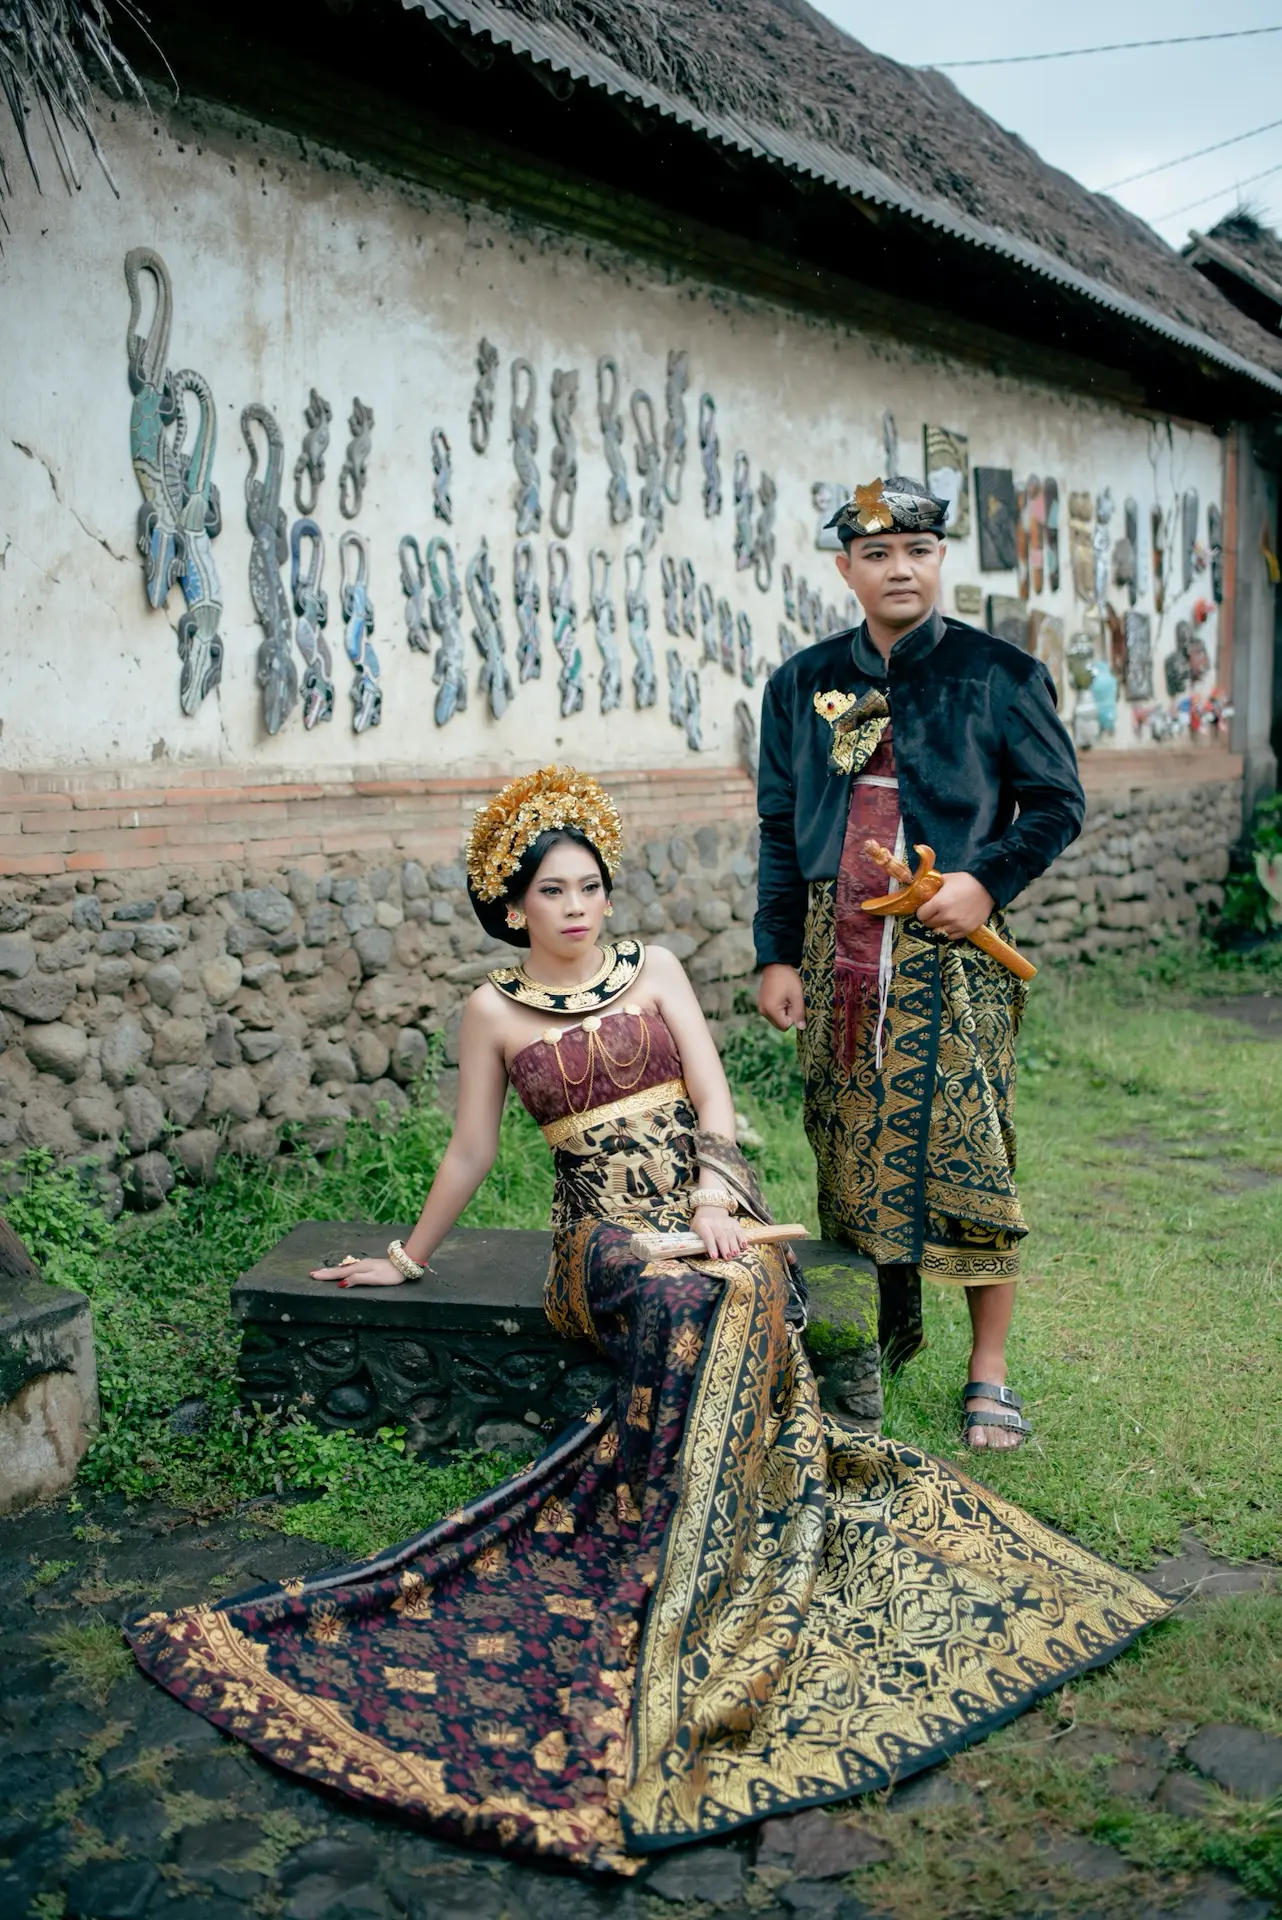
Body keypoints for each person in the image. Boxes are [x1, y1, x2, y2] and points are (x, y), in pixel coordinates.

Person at [128, 765, 1158, 1877]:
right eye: (553, 892)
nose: (577, 907)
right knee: (669, 1293)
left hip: (708, 1204)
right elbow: (472, 1150)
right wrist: (404, 1260)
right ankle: (662, 1524)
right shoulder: (491, 1010)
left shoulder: (655, 969)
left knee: (742, 1284)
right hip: (602, 1237)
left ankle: (722, 1517)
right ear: (512, 905)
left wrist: (714, 1197)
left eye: (590, 887)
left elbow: (714, 1099)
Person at [756, 477, 1086, 1450]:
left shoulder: (1001, 675)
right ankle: (875, 1338)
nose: (898, 568)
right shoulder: (801, 683)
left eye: (917, 550)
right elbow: (778, 827)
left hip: (954, 950)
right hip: (837, 954)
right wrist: (777, 953)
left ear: (939, 559)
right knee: (848, 1140)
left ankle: (988, 1370)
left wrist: (984, 881)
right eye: (877, 554)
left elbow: (1057, 804)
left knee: (972, 1142)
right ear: (845, 568)